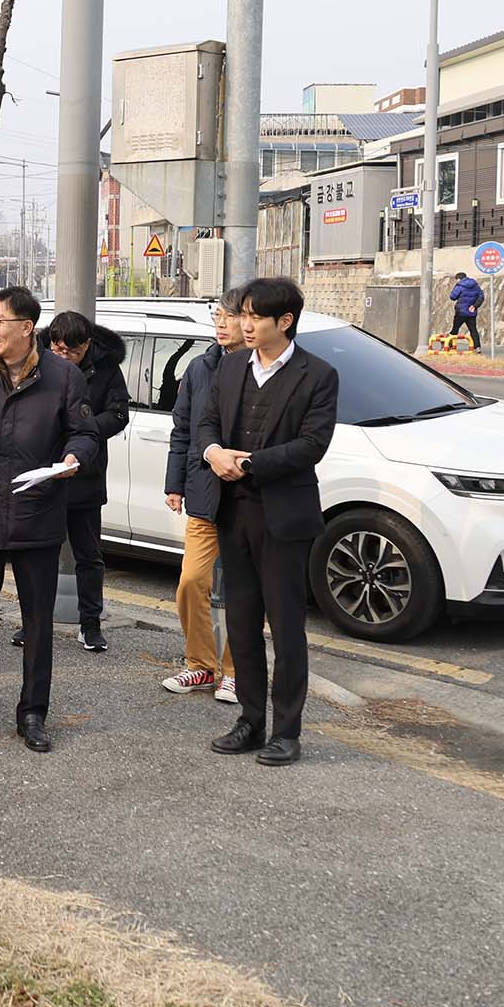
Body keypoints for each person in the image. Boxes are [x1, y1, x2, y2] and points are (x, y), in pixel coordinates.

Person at [0, 286, 100, 754]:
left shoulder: (63, 376)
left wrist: (73, 457)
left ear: (27, 327)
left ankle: (32, 712)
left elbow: (86, 434)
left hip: (37, 513)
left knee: (37, 621)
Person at [197, 277, 338, 767]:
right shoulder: (231, 365)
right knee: (240, 623)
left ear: (286, 321)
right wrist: (213, 453)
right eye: (244, 315)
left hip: (283, 517)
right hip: (232, 511)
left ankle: (287, 731)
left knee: (286, 628)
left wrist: (251, 463)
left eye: (256, 316)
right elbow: (206, 422)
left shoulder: (317, 375)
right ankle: (250, 721)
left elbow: (312, 445)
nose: (245, 324)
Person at [161, 290, 246, 702]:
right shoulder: (199, 367)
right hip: (204, 493)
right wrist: (175, 484)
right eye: (218, 315)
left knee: (242, 588)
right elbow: (183, 429)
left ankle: (235, 671)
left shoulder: (263, 368)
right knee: (191, 582)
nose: (222, 323)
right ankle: (200, 664)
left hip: (247, 495)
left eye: (230, 316)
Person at [44, 311, 129, 654]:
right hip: (45, 472)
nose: (65, 357)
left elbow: (118, 414)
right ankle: (34, 620)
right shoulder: (38, 362)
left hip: (86, 473)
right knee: (39, 554)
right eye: (58, 350)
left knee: (89, 555)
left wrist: (83, 428)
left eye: (73, 351)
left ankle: (90, 623)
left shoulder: (106, 368)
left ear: (88, 345)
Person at [449, 271, 483, 351]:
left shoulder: (460, 286)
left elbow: (453, 297)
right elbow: (481, 297)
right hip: (471, 312)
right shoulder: (475, 285)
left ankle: (449, 345)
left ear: (459, 279)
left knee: (455, 328)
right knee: (473, 330)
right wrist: (475, 306)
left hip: (461, 311)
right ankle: (477, 347)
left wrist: (456, 287)